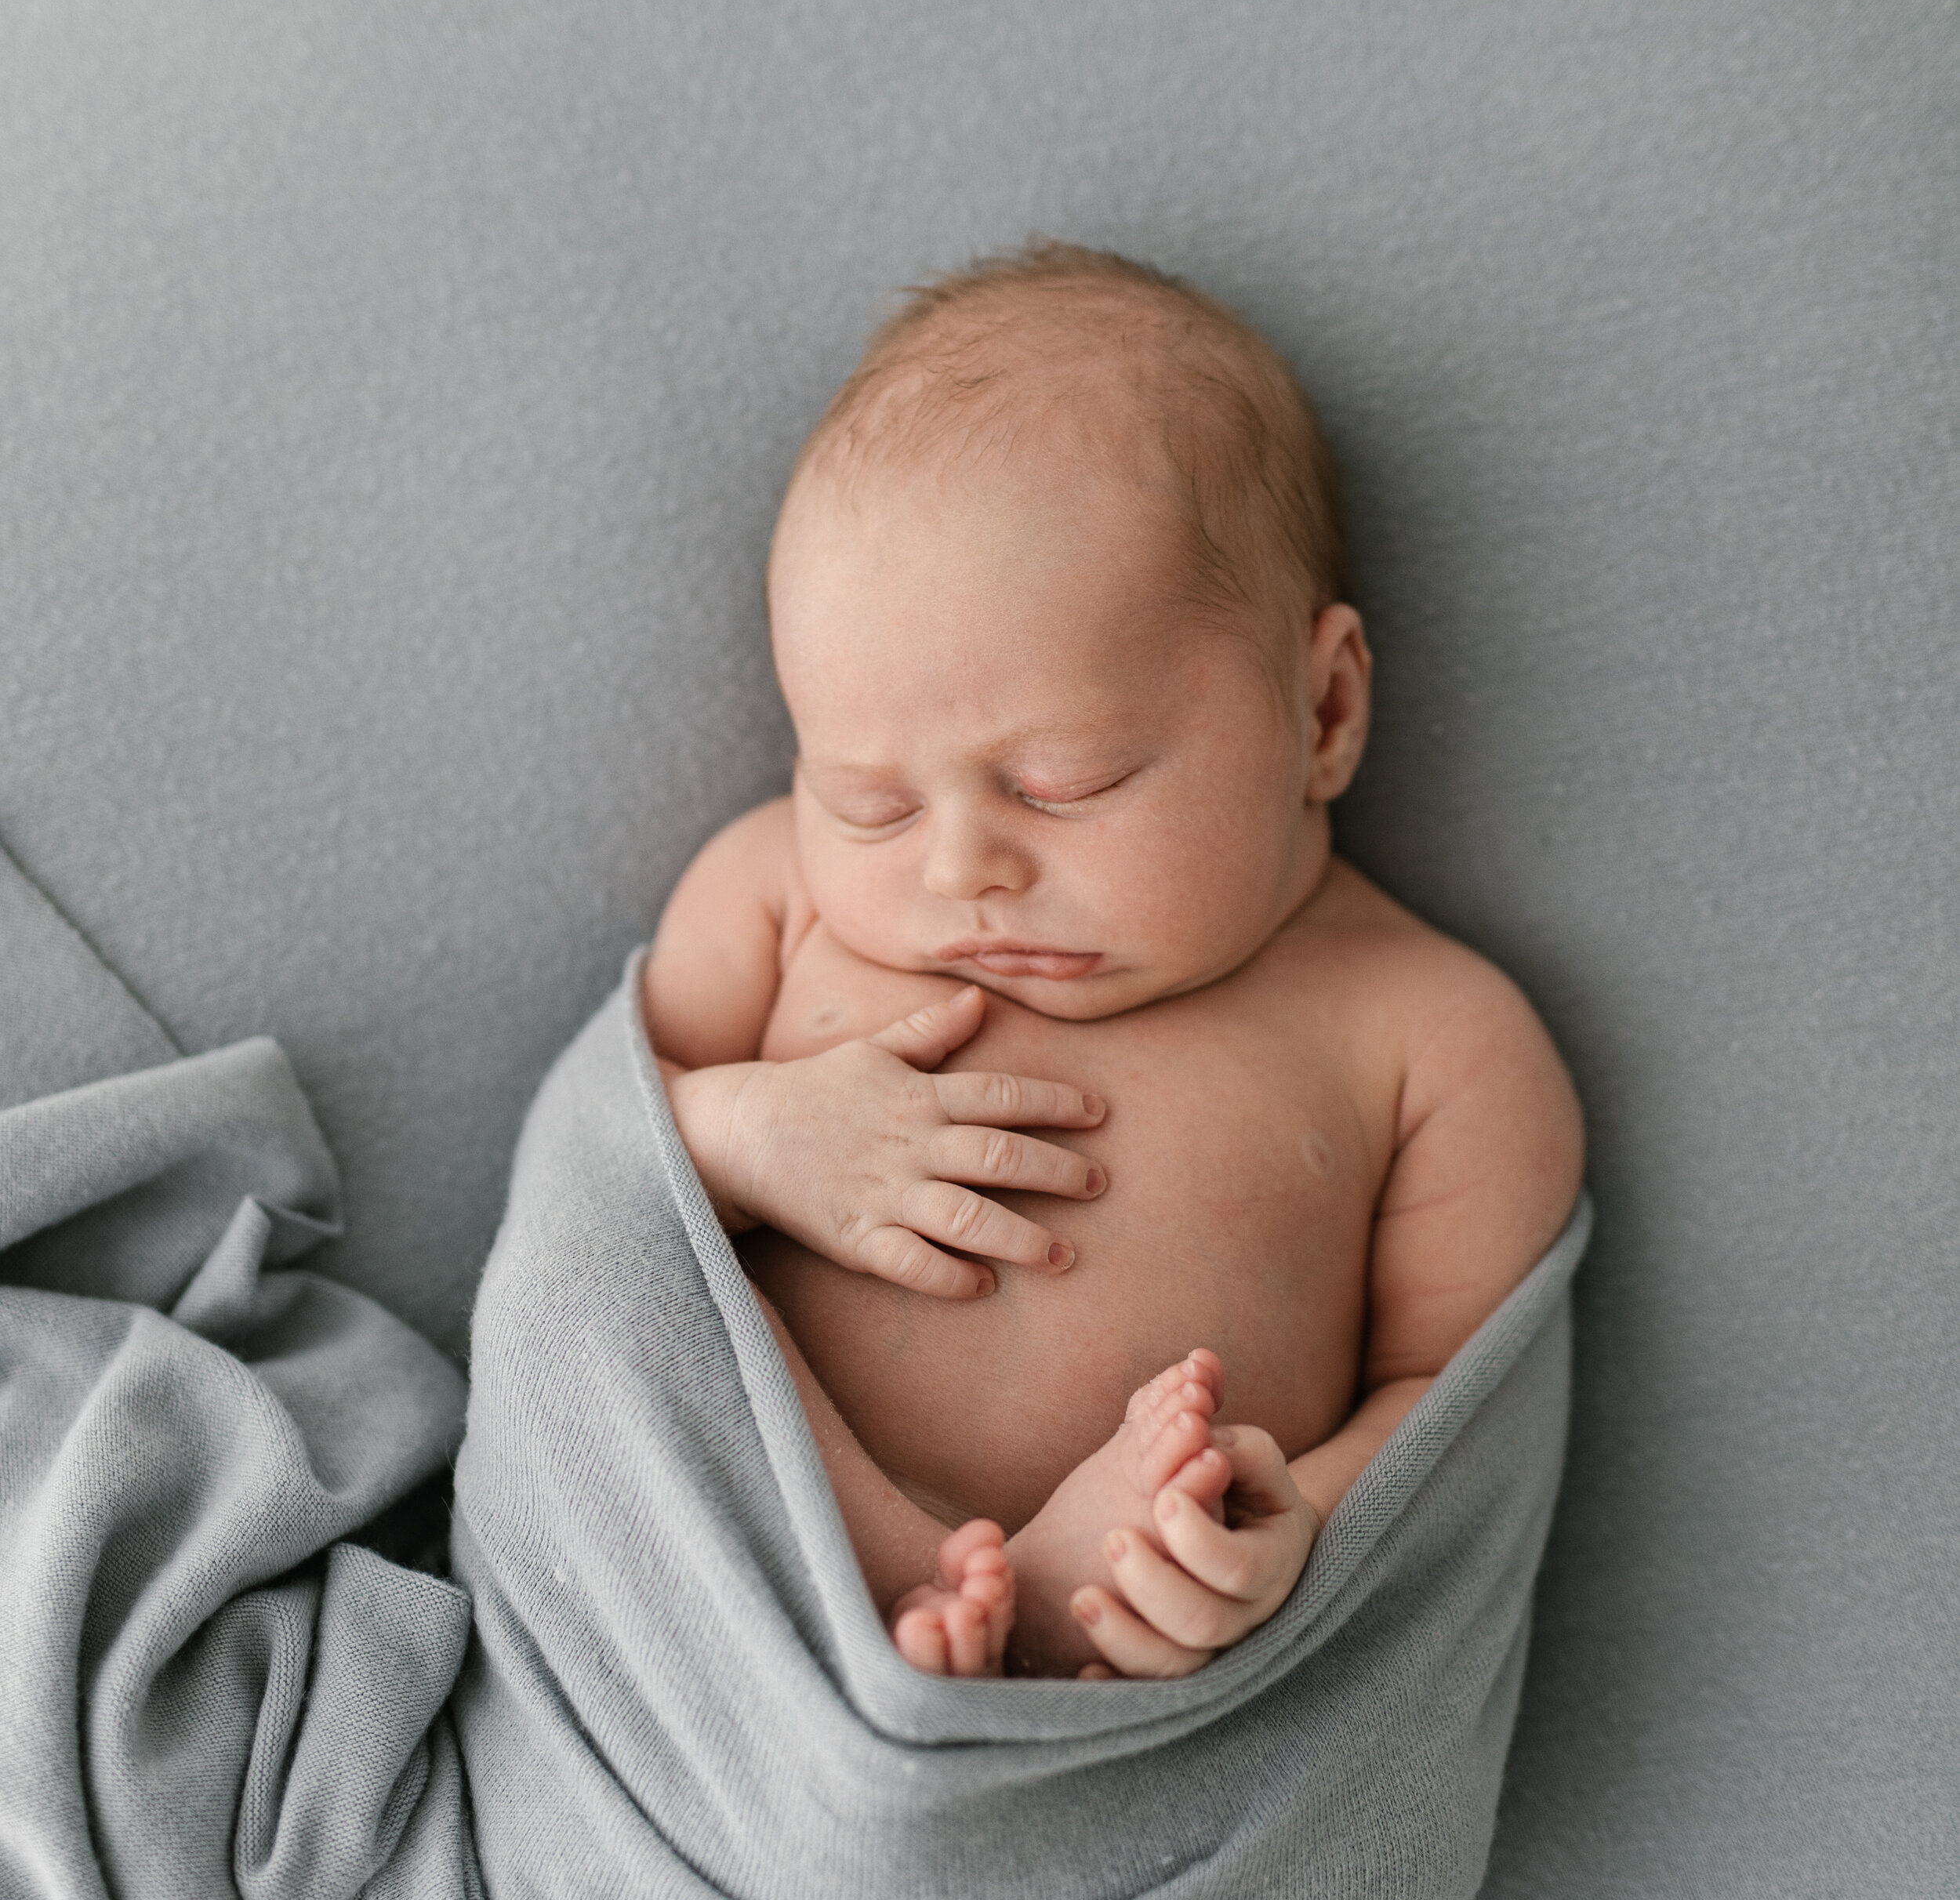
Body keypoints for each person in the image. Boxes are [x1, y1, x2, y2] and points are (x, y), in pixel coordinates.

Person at [641, 243, 1584, 1678]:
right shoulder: (775, 892)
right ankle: (907, 1586)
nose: (959, 869)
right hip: (746, 1571)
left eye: (1063, 783)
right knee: (697, 1342)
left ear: (1322, 710)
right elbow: (593, 1198)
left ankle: (1038, 1614)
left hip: (1139, 1645)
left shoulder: (1435, 1037)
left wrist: (1283, 1530)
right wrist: (744, 1135)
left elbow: (1448, 1412)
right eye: (870, 800)